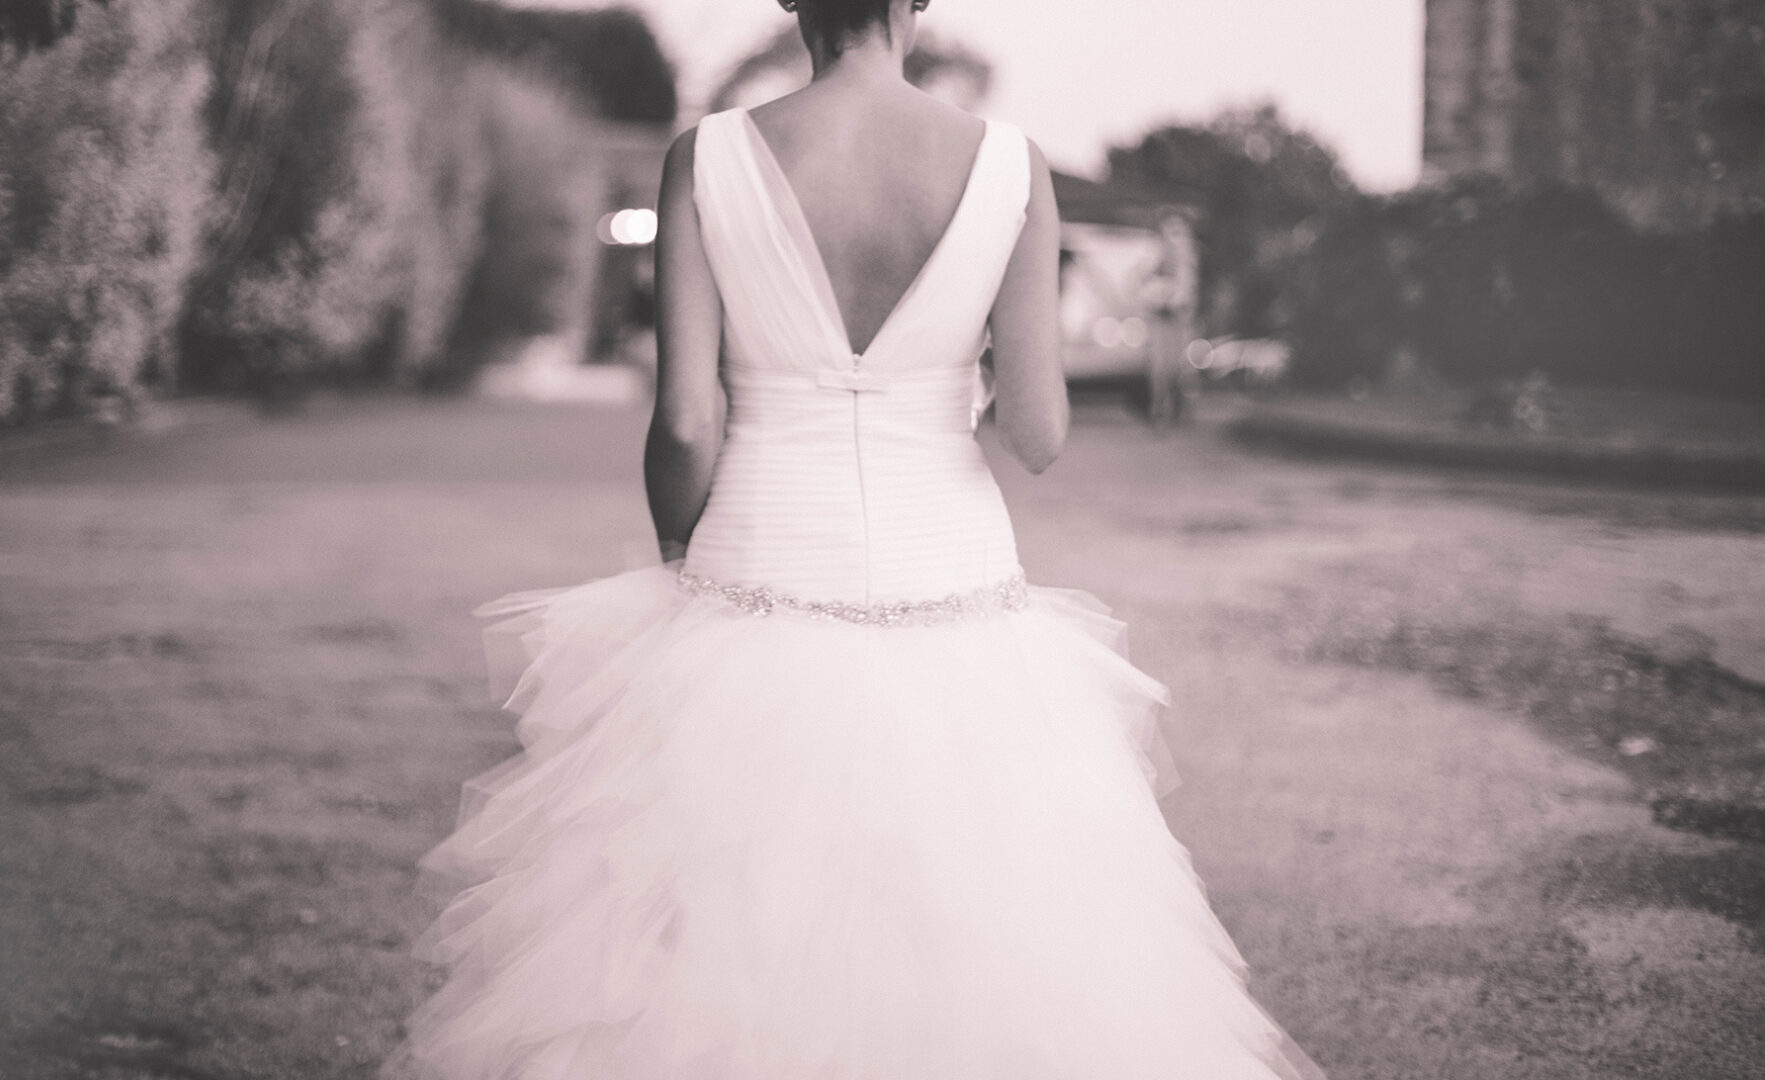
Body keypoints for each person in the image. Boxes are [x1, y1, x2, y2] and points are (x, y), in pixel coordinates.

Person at [389, 2, 1326, 1077]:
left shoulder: (708, 157)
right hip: (952, 577)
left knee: (703, 928)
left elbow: (686, 421)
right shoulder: (1011, 167)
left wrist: (680, 562)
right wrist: (960, 360)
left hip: (757, 562)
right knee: (994, 914)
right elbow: (1038, 435)